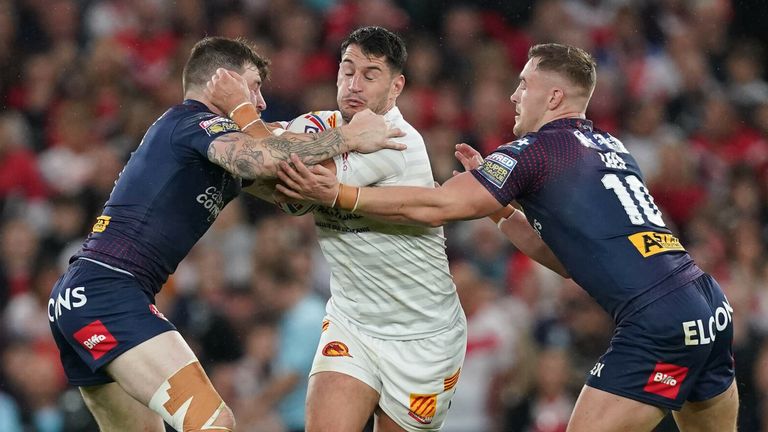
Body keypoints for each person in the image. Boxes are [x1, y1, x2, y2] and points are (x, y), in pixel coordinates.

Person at [276, 43, 739, 432]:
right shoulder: (610, 145)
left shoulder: (536, 150)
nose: (515, 94)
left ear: (554, 96)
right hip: (707, 305)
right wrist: (500, 211)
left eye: (524, 83)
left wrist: (339, 193)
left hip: (655, 323)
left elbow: (436, 206)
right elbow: (568, 259)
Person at [46, 36, 403, 432]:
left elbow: (277, 171)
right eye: (253, 86)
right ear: (222, 82)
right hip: (109, 291)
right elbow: (262, 157)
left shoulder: (205, 145)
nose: (261, 102)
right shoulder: (194, 122)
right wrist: (350, 137)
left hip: (81, 296)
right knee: (214, 423)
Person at [207, 26, 481, 432]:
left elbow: (287, 170)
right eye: (347, 70)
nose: (354, 84)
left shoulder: (395, 140)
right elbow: (272, 159)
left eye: (370, 75)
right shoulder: (323, 126)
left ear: (396, 86)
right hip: (352, 320)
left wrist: (241, 112)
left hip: (422, 336)